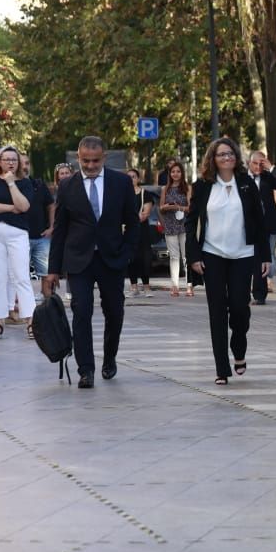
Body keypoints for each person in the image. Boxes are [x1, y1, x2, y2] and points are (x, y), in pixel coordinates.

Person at [46, 136, 140, 388]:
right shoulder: (67, 186)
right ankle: (85, 370)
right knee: (81, 312)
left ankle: (110, 357)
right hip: (78, 260)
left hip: (112, 259)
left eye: (95, 160)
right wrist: (53, 269)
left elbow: (132, 223)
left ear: (104, 158)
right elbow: (60, 230)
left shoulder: (121, 183)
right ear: (78, 158)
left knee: (115, 312)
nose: (90, 166)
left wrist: (127, 253)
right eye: (85, 161)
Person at [186, 137, 272, 385]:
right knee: (216, 312)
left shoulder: (246, 184)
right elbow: (191, 223)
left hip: (243, 255)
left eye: (230, 154)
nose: (227, 158)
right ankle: (221, 369)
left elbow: (259, 220)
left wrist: (264, 256)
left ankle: (239, 348)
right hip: (212, 255)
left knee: (239, 308)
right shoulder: (203, 185)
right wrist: (193, 256)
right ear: (212, 159)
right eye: (221, 154)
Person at [0, 146, 36, 340]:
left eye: (14, 159)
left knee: (21, 276)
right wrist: (11, 208)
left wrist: (12, 183)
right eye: (6, 159)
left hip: (17, 233)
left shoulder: (25, 182)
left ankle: (30, 320)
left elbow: (25, 206)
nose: (10, 162)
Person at [246, 151, 276, 305]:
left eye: (261, 164)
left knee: (262, 259)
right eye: (255, 163)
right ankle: (243, 293)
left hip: (266, 225)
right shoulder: (242, 178)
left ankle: (260, 295)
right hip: (247, 225)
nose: (258, 167)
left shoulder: (268, 177)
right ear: (249, 162)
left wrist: (271, 168)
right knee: (247, 261)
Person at [159, 159, 192, 296]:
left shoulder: (187, 188)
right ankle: (175, 286)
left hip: (184, 225)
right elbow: (160, 207)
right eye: (173, 171)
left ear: (182, 173)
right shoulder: (164, 189)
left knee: (186, 256)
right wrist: (166, 207)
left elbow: (190, 208)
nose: (175, 174)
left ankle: (189, 286)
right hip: (170, 225)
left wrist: (177, 207)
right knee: (174, 256)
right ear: (169, 173)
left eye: (178, 171)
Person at [125, 169, 157, 297]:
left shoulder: (146, 194)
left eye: (133, 176)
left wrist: (129, 218)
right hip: (128, 231)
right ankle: (134, 288)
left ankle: (147, 287)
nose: (131, 179)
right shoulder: (122, 195)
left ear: (138, 179)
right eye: (128, 177)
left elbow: (145, 214)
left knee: (145, 259)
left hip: (142, 231)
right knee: (131, 259)